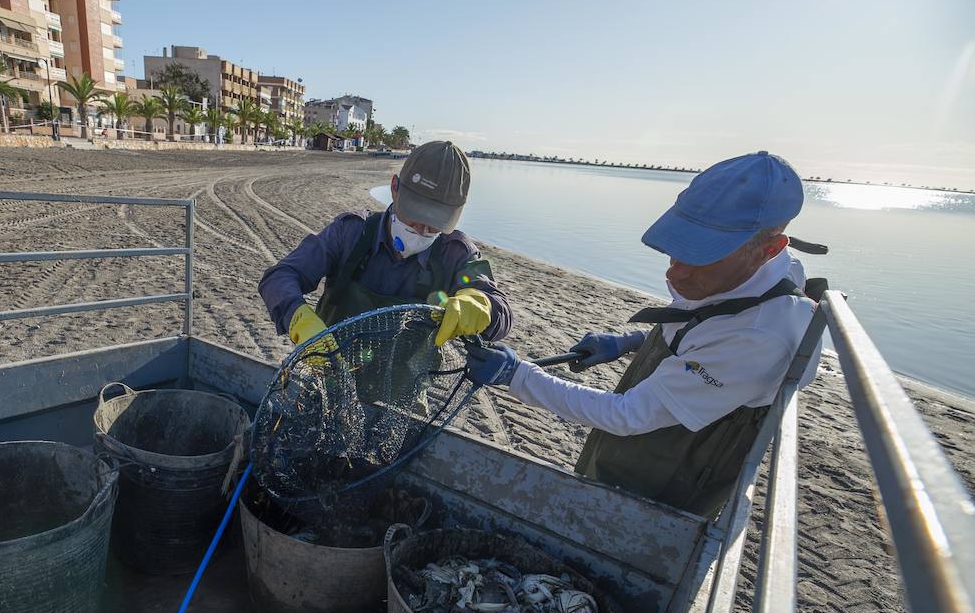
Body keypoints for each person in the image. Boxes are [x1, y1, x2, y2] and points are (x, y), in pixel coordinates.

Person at [464, 152, 824, 517]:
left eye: (703, 257)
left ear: (769, 249)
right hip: (636, 442)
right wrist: (631, 343)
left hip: (668, 476)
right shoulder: (746, 273)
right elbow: (701, 331)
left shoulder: (761, 336)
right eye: (677, 251)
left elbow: (628, 416)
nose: (675, 275)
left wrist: (518, 376)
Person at [258, 140, 512, 350]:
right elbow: (280, 276)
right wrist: (298, 319)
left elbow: (501, 314)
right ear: (394, 188)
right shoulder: (352, 231)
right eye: (414, 216)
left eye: (435, 224)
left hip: (403, 396)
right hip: (326, 372)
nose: (422, 230)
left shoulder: (455, 253)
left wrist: (482, 306)